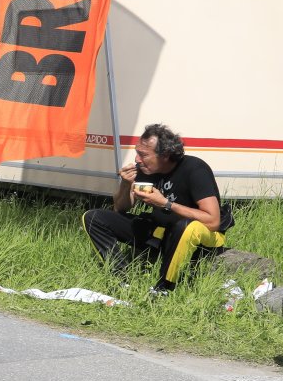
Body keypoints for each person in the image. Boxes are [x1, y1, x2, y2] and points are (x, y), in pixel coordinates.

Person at [83, 123, 231, 295]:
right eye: (137, 152)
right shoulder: (146, 170)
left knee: (186, 227)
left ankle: (164, 289)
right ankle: (120, 280)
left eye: (143, 155)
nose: (137, 159)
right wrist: (125, 184)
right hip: (160, 231)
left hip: (198, 236)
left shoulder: (195, 169)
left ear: (165, 155)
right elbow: (120, 208)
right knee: (94, 217)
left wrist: (166, 204)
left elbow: (213, 221)